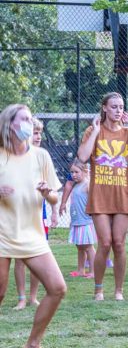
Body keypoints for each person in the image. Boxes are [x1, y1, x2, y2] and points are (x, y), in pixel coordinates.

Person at [0, 104, 66, 348]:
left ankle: (32, 347)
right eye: (24, 118)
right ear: (10, 124)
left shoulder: (41, 156)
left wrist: (47, 192)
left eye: (31, 118)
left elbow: (54, 197)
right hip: (2, 233)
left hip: (32, 235)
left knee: (57, 288)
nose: (29, 122)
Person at [77, 92, 128, 301]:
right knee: (105, 243)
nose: (118, 110)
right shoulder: (93, 131)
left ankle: (119, 290)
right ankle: (98, 289)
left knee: (119, 243)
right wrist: (95, 130)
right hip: (100, 196)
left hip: (122, 196)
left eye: (121, 107)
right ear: (104, 108)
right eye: (113, 107)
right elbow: (83, 157)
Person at [13, 117, 58, 310]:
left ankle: (33, 297)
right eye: (34, 133)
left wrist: (55, 210)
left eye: (40, 133)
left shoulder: (43, 158)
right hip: (17, 214)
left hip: (39, 214)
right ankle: (21, 298)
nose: (38, 136)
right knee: (20, 258)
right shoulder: (12, 159)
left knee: (38, 254)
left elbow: (53, 191)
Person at [67, 159, 97, 278]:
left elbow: (95, 202)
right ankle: (81, 270)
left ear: (84, 171)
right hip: (77, 221)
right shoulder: (76, 185)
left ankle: (94, 271)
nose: (73, 175)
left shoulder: (88, 185)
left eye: (76, 172)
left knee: (88, 247)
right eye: (72, 172)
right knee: (79, 246)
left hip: (86, 221)